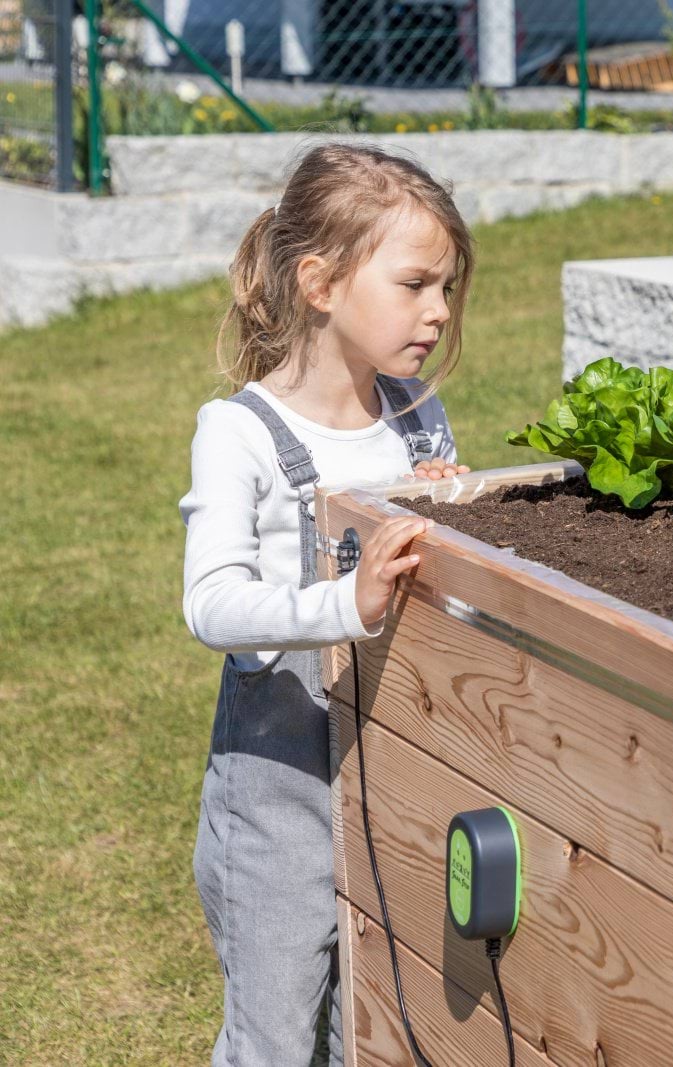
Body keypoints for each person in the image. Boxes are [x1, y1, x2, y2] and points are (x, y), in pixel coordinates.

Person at [178, 141, 475, 1066]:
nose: (438, 312)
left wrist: (453, 508)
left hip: (396, 759)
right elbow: (212, 603)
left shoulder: (417, 418)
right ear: (320, 281)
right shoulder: (242, 432)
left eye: (448, 289)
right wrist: (344, 598)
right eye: (416, 283)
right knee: (272, 1035)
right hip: (281, 782)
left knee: (381, 1016)